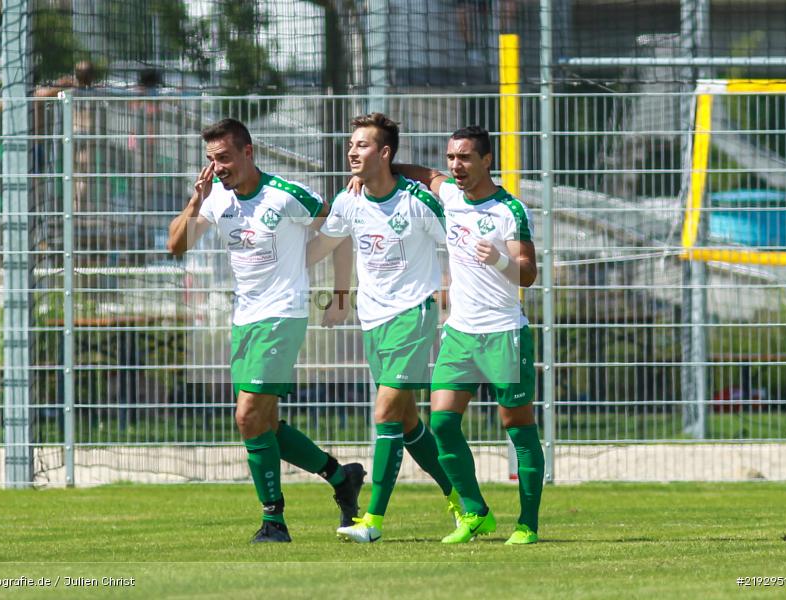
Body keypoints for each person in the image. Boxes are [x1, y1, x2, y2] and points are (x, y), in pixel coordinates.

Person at [167, 118, 365, 543]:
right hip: (245, 320)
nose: (217, 167)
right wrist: (194, 202)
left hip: (284, 315)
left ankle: (274, 520)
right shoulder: (216, 198)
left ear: (247, 152)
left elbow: (340, 231)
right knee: (265, 424)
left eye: (223, 158)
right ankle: (340, 476)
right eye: (211, 160)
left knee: (246, 415)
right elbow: (176, 246)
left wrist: (341, 293)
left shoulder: (287, 195)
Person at [307, 113, 464, 543]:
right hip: (372, 320)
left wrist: (464, 295)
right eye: (351, 144)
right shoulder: (348, 199)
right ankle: (465, 503)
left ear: (386, 153)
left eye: (362, 145)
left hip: (414, 316)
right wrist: (330, 291)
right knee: (409, 423)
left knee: (385, 414)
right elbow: (327, 243)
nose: (352, 151)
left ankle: (372, 521)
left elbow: (461, 241)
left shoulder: (417, 200)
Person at [395, 125, 543, 544]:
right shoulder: (451, 196)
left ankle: (528, 523)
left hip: (503, 333)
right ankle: (476, 511)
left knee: (517, 424)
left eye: (464, 157)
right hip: (460, 332)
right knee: (441, 423)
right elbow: (423, 174)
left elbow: (528, 274)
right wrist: (376, 169)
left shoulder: (509, 211)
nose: (455, 166)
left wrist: (498, 259)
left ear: (486, 161)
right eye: (451, 157)